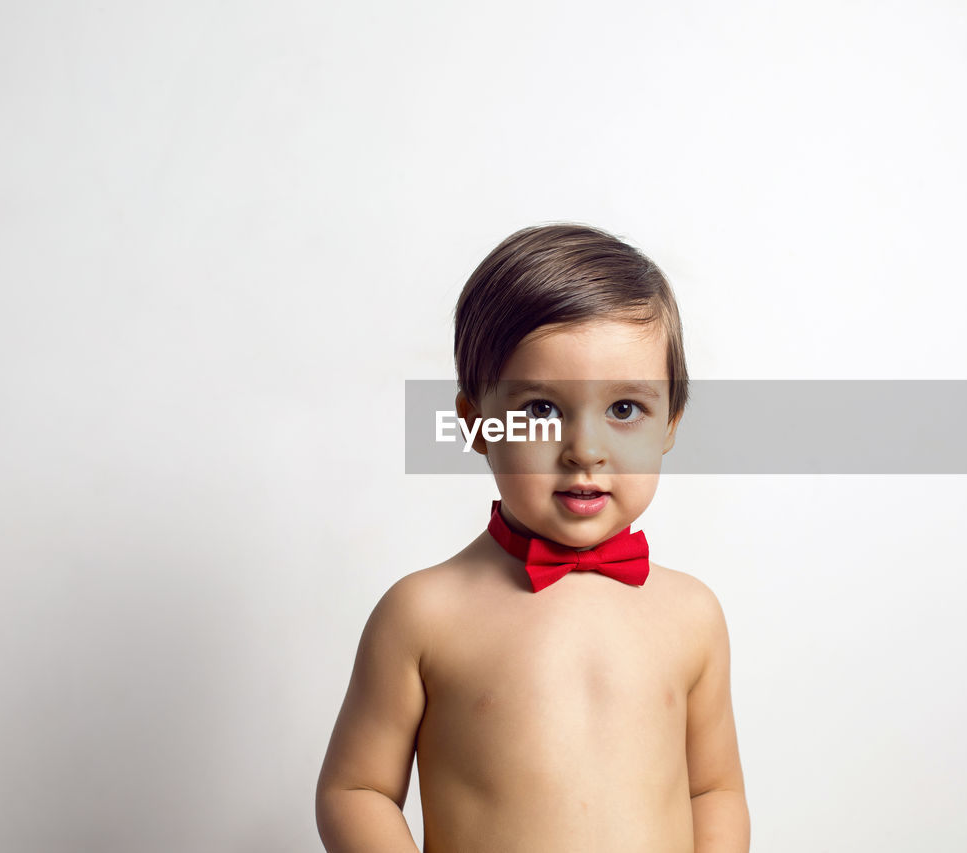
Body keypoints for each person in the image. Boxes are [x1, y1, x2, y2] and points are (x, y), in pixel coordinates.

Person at [315, 224, 749, 852]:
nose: (586, 451)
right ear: (477, 426)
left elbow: (714, 790)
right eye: (542, 409)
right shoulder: (424, 614)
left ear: (670, 424)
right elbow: (356, 790)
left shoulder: (691, 614)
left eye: (625, 409)